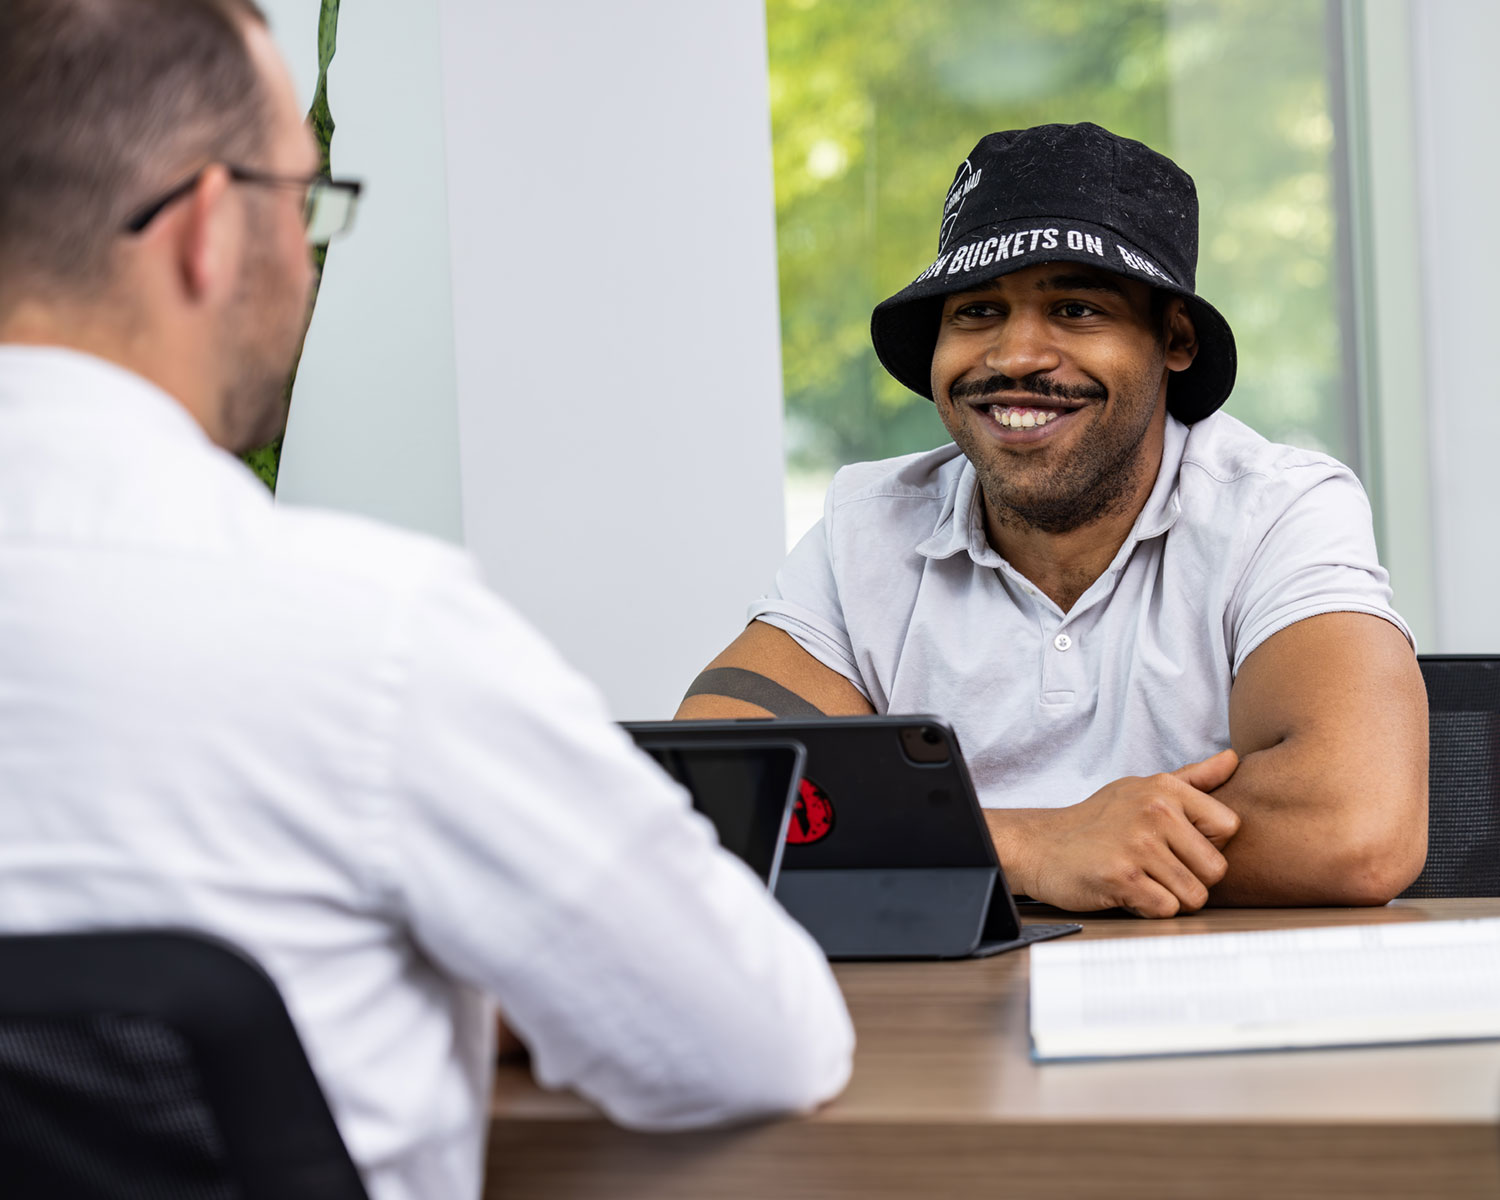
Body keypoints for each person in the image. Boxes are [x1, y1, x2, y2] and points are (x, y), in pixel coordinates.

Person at [0, 2, 852, 1198]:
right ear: (205, 229)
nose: (307, 263)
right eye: (304, 205)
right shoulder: (369, 639)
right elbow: (765, 1041)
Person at [679, 123, 1428, 919]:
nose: (1016, 355)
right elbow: (705, 797)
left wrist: (924, 840)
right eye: (976, 311)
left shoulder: (1275, 509)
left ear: (1173, 337)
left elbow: (1357, 826)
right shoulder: (870, 529)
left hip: (1211, 1020)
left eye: (1074, 308)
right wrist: (1033, 844)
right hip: (945, 1021)